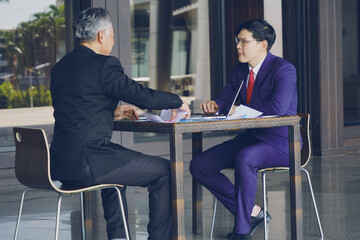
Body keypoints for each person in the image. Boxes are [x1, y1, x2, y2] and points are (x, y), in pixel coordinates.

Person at [50, 7, 190, 240]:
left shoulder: (60, 67)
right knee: (166, 171)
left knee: (117, 170)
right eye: (113, 34)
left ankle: (119, 236)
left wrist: (111, 112)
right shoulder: (104, 64)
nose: (113, 41)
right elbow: (141, 96)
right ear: (101, 36)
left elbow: (77, 107)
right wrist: (177, 101)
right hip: (89, 162)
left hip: (61, 165)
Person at [189, 19, 299, 240]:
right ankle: (253, 213)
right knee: (200, 165)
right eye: (237, 41)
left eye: (243, 41)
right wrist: (216, 104)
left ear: (263, 45)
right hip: (251, 137)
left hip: (281, 142)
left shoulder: (284, 69)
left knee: (245, 157)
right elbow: (227, 98)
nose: (237, 46)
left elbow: (277, 107)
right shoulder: (240, 69)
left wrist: (240, 109)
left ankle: (241, 231)